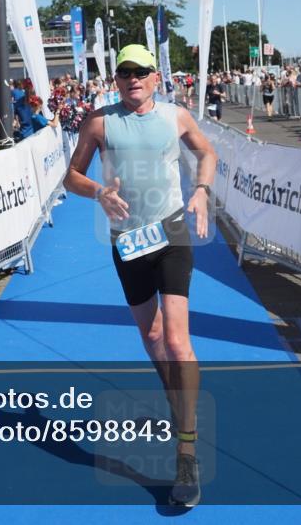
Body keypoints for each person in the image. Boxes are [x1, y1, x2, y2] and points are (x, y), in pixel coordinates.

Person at [63, 44, 217, 508]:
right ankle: (176, 404)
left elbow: (206, 154)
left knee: (176, 341)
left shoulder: (177, 116)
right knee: (151, 338)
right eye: (125, 71)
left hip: (170, 232)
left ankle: (186, 453)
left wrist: (203, 191)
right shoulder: (99, 121)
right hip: (127, 242)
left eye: (141, 71)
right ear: (116, 79)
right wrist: (98, 193)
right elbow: (71, 176)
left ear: (155, 77)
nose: (133, 78)